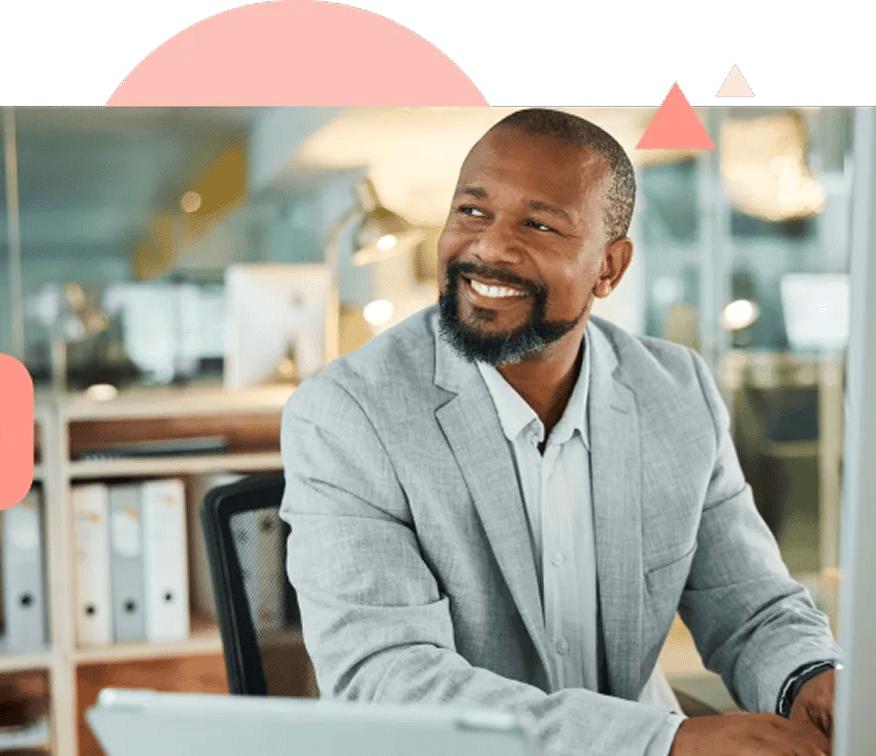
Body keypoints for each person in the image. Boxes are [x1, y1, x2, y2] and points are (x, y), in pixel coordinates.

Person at [279, 108, 843, 756]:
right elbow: (387, 682)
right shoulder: (348, 415)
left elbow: (751, 608)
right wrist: (664, 744)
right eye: (471, 212)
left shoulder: (675, 391)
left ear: (609, 266)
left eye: (539, 224)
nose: (488, 247)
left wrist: (810, 680)